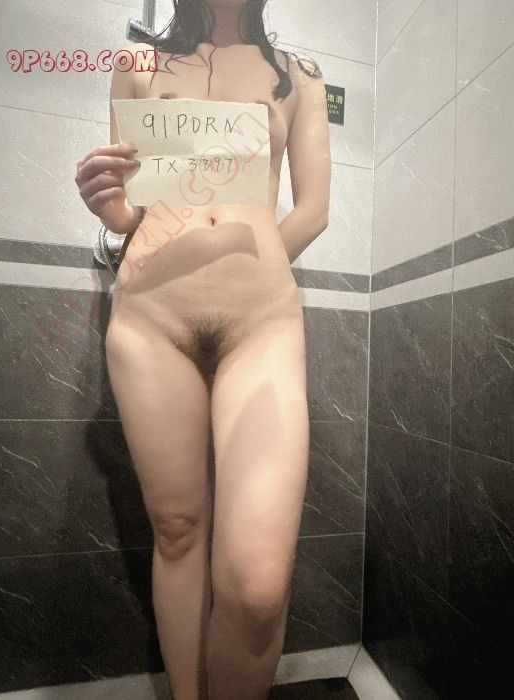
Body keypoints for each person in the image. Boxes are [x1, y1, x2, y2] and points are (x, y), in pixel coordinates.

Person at [74, 1, 330, 697]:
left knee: (258, 585)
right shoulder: (137, 63)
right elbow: (132, 209)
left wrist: (245, 268)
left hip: (260, 323)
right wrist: (109, 206)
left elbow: (313, 210)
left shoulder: (301, 76)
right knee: (179, 529)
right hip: (152, 319)